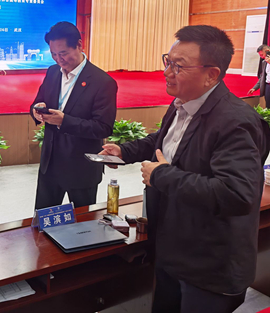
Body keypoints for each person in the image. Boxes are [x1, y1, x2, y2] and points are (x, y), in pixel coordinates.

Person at [100, 25, 270, 313]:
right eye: (168, 61)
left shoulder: (236, 122)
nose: (167, 72)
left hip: (209, 266)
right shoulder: (183, 102)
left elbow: (237, 195)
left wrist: (161, 176)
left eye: (178, 66)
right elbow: (165, 141)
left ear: (211, 75)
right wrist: (125, 151)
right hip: (173, 249)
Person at [30, 21, 117, 210]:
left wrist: (64, 122)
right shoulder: (53, 72)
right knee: (44, 219)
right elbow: (38, 101)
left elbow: (103, 127)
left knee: (83, 223)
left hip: (81, 169)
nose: (58, 59)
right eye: (53, 54)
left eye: (63, 53)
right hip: (49, 166)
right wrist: (36, 110)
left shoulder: (103, 82)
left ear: (79, 44)